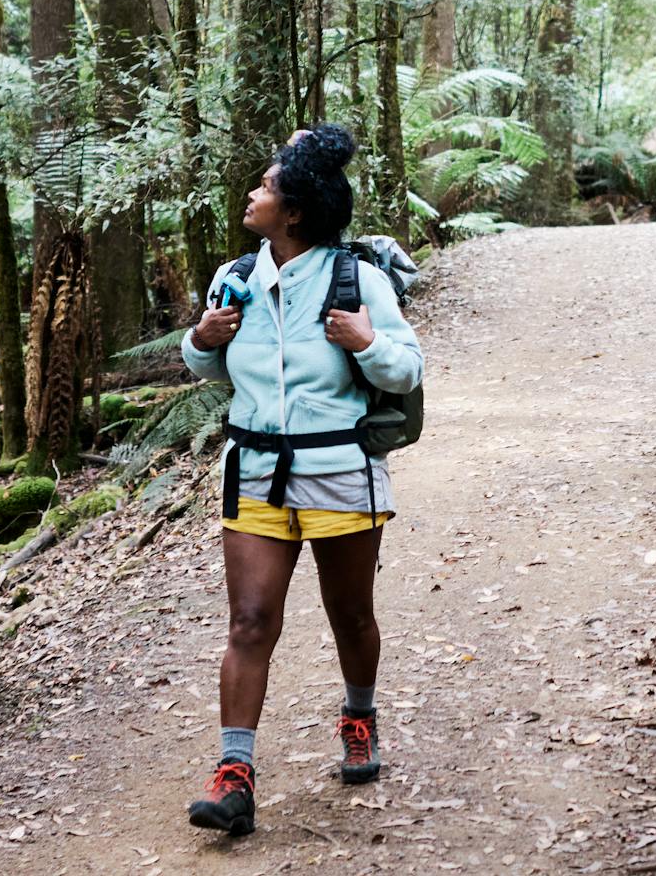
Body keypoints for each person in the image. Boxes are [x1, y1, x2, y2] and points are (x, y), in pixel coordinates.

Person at [178, 125, 424, 838]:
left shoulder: (357, 280)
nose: (253, 194)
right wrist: (204, 339)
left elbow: (407, 370)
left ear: (295, 211)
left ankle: (358, 716)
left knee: (350, 616)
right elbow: (210, 368)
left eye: (265, 186)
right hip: (255, 473)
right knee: (251, 621)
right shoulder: (238, 277)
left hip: (341, 473)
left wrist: (367, 342)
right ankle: (233, 777)